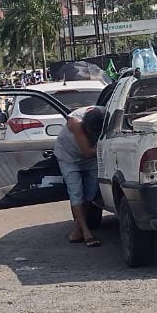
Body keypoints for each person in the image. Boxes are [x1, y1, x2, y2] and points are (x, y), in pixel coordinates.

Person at [55, 105, 105, 247]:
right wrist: (105, 147)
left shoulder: (105, 113)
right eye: (90, 132)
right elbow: (87, 152)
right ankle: (86, 232)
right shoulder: (76, 123)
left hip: (90, 161)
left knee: (90, 195)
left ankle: (76, 230)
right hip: (69, 158)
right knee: (76, 193)